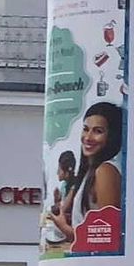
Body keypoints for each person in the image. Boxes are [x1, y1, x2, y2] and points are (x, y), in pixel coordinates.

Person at [45, 102, 123, 248]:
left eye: (98, 131)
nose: (88, 137)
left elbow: (107, 237)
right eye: (86, 129)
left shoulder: (105, 171)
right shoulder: (91, 171)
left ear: (112, 136)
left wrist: (63, 227)